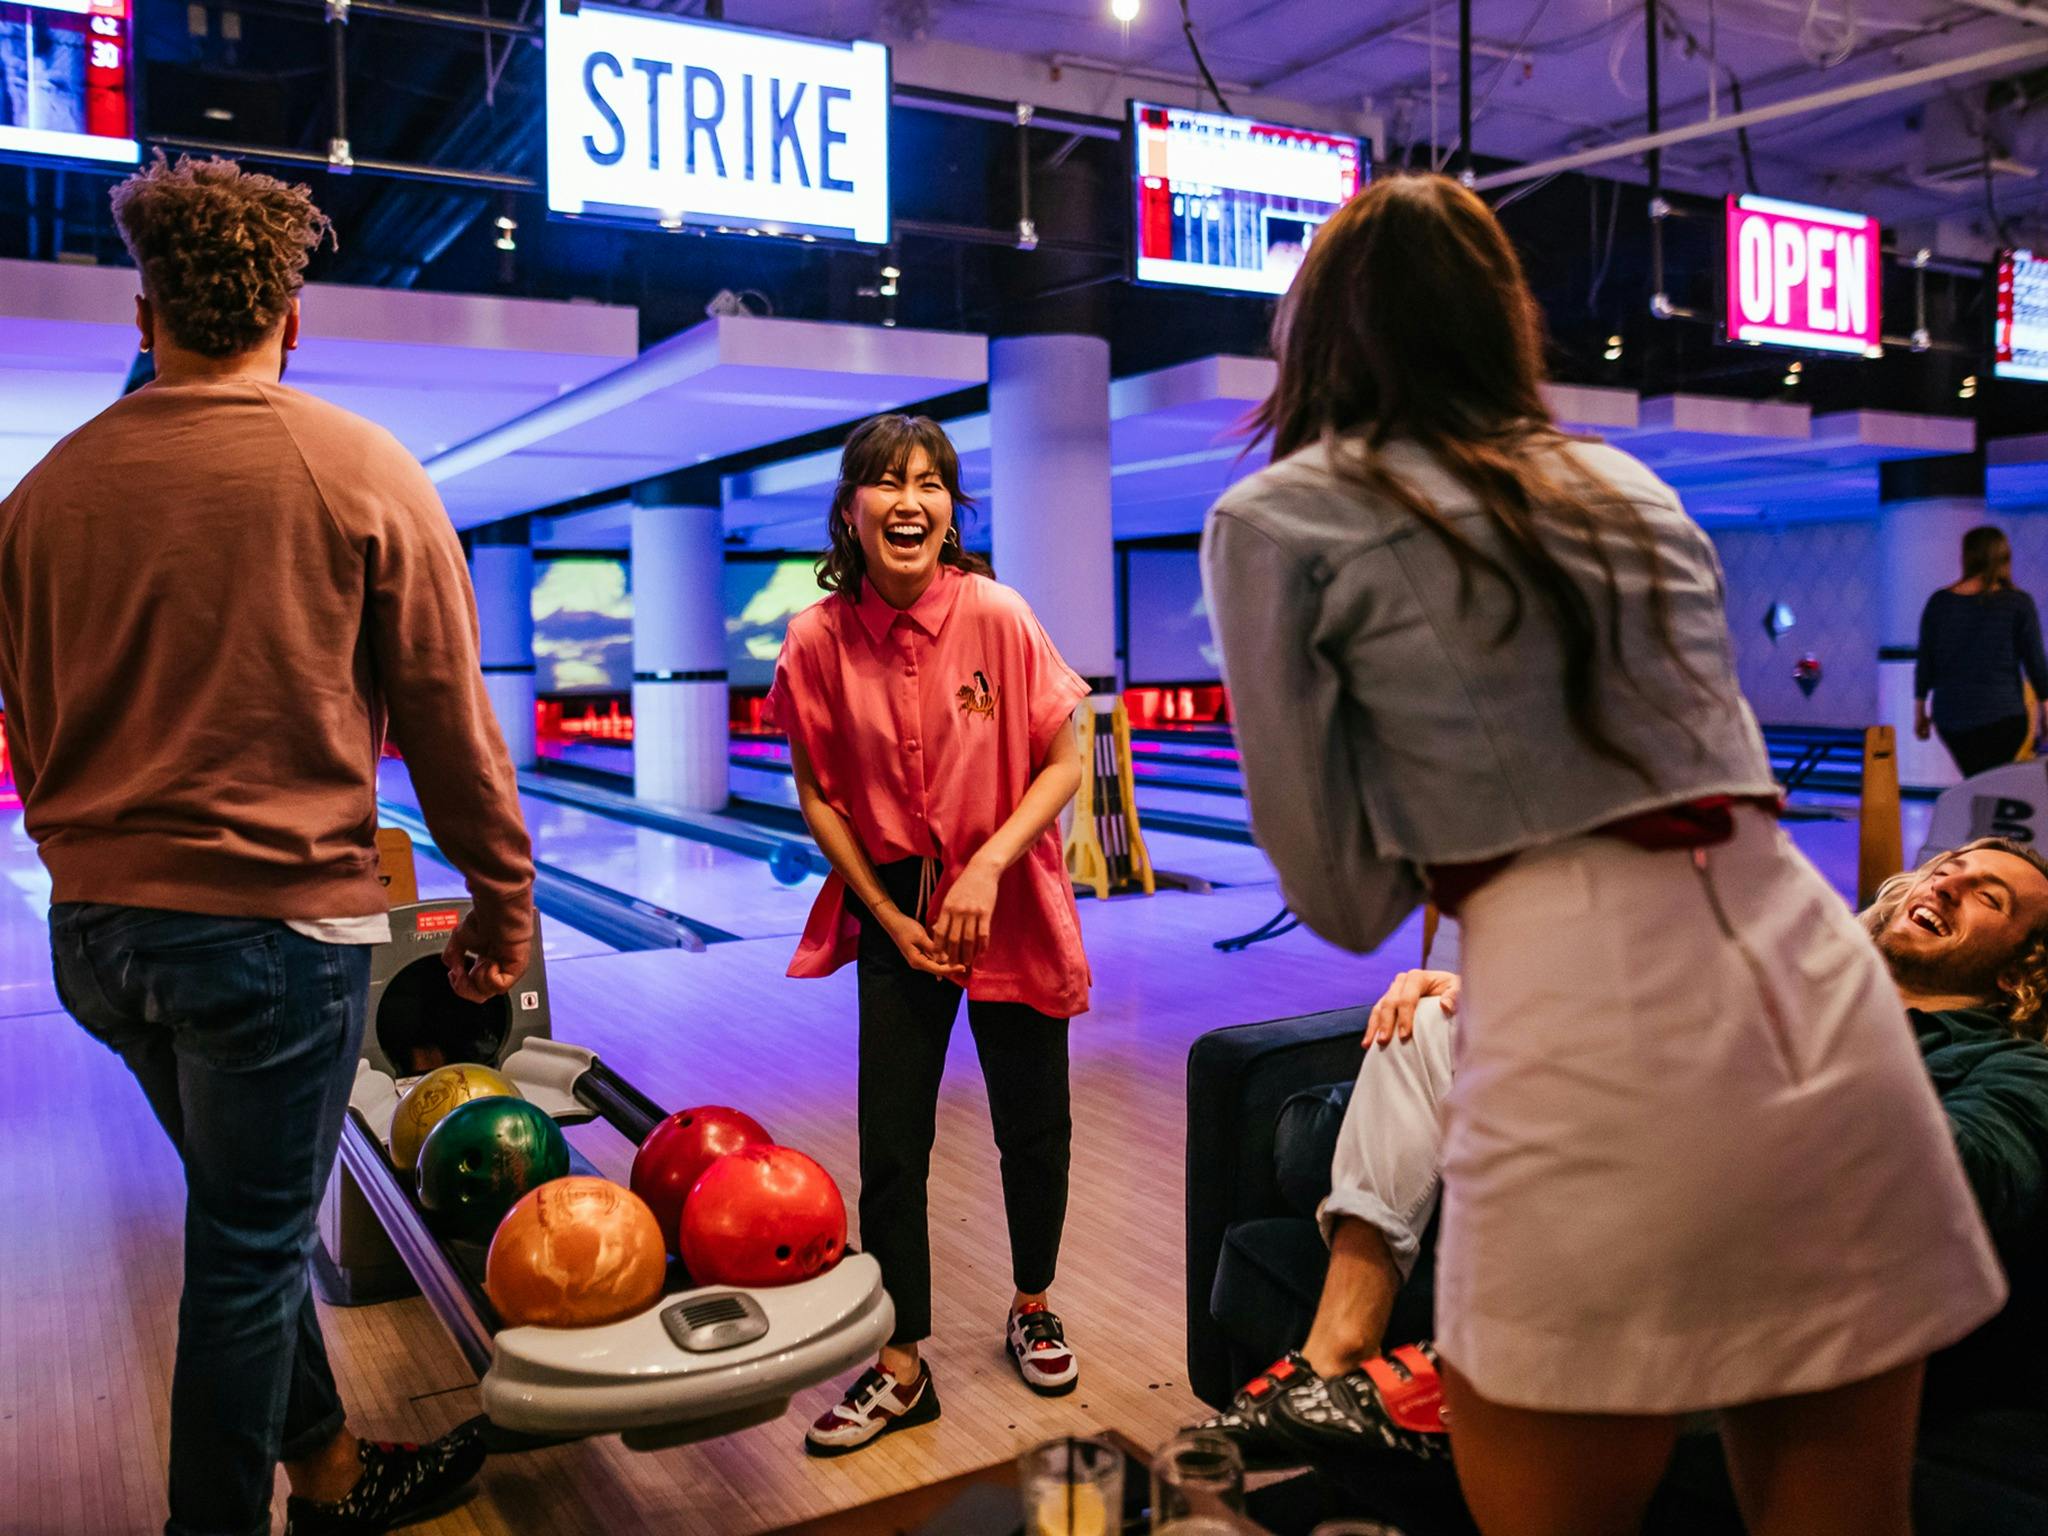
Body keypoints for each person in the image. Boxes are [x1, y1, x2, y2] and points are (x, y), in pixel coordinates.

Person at [1200, 173, 2006, 1536]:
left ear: (1318, 331)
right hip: (1816, 989)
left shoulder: (1279, 520)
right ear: (1504, 322)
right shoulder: (1630, 482)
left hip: (1592, 1034)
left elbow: (1343, 900)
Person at [0, 155, 535, 1536]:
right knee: (245, 1259)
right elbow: (447, 722)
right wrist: (503, 907)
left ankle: (334, 1471)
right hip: (272, 941)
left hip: (100, 941)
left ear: (141, 312)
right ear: (294, 319)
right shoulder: (360, 468)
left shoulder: (42, 496)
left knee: (242, 1229)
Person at [1201, 838, 2048, 1499]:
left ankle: (1477, 1369)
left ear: (2020, 966)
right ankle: (1338, 1344)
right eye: (1949, 868)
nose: (1947, 886)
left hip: (1744, 1210)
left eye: (1988, 897)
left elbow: (1974, 1172)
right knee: (1430, 1021)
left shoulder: (2014, 1065)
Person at [769, 413, 1091, 1457]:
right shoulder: (816, 639)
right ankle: (901, 1360)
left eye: (930, 482)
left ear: (949, 509)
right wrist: (882, 911)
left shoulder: (996, 613)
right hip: (897, 897)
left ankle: (1030, 1301)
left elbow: (1065, 746)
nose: (910, 499)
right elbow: (816, 793)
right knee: (890, 1143)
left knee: (1031, 1122)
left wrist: (991, 863)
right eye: (886, 481)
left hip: (1003, 885)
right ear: (851, 510)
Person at [1915, 525, 2048, 778]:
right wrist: (2046, 710)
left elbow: (1926, 661)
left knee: (1975, 781)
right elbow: (2035, 662)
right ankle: (1985, 816)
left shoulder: (1939, 602)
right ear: (2003, 557)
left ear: (1967, 556)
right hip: (2004, 716)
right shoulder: (2018, 603)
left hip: (1952, 718)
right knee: (1991, 783)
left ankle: (1977, 815)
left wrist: (1920, 711)